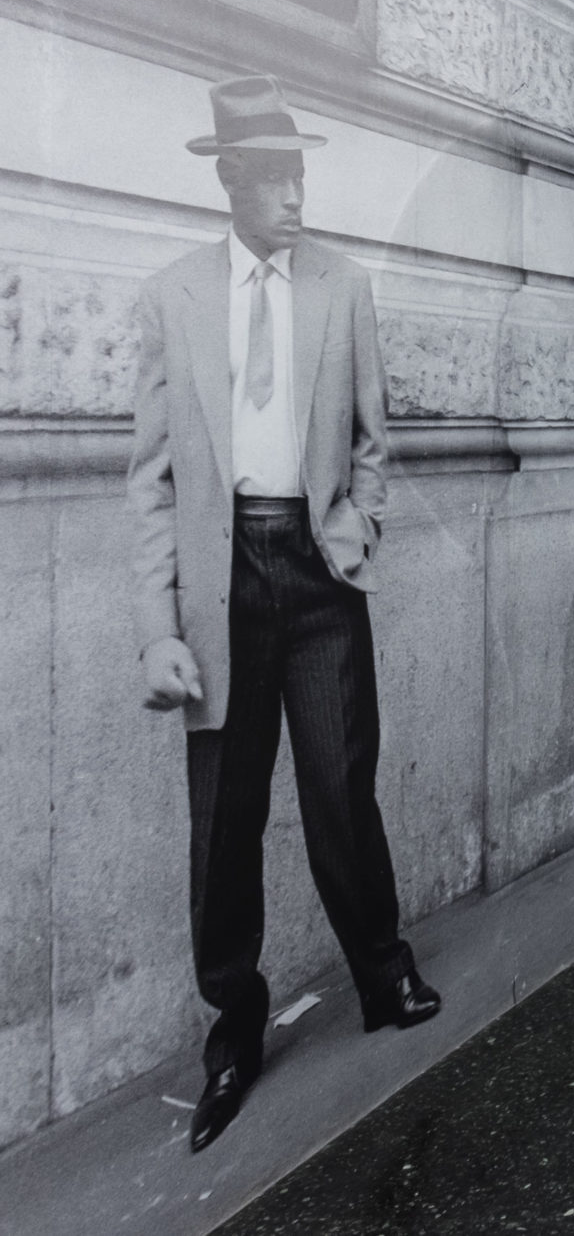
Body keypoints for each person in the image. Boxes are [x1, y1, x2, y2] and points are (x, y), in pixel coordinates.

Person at [128, 76, 441, 1154]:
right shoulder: (171, 296)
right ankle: (234, 1027)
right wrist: (161, 626)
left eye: (301, 171)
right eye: (274, 175)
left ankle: (382, 969)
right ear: (230, 181)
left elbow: (373, 443)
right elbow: (152, 480)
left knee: (340, 784)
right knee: (223, 822)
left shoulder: (343, 287)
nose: (296, 192)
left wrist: (349, 540)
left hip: (313, 576)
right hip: (217, 589)